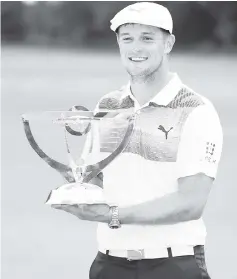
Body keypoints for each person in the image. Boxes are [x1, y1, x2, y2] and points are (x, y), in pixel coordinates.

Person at [52, 2, 223, 279]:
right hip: (109, 264)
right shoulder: (108, 105)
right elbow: (96, 179)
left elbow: (191, 202)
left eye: (147, 38)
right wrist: (75, 182)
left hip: (173, 264)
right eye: (127, 38)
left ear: (168, 43)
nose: (136, 48)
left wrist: (112, 215)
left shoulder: (195, 109)